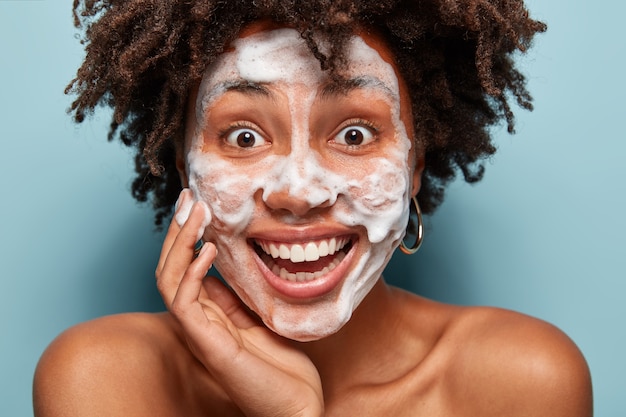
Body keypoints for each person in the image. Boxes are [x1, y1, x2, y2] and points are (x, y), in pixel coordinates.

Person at [33, 1, 592, 416]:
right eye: (244, 138)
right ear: (185, 170)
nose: (299, 191)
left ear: (415, 165)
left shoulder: (523, 382)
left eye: (353, 133)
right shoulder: (101, 381)